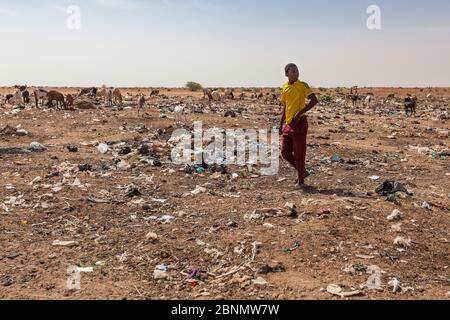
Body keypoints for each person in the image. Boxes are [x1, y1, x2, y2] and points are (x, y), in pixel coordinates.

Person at [279, 63, 318, 189]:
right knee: (285, 152)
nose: (296, 73)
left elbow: (314, 100)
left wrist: (300, 112)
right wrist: (281, 123)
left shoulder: (302, 85)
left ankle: (301, 181)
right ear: (286, 74)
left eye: (297, 71)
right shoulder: (284, 87)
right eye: (293, 71)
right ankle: (303, 171)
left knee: (299, 153)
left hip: (300, 122)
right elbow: (286, 106)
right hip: (289, 123)